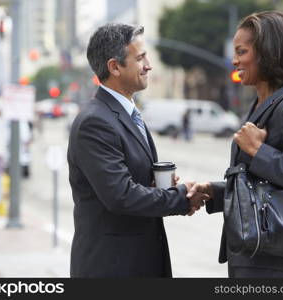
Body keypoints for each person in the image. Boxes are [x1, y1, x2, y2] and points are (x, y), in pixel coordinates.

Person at [188, 11, 283, 278]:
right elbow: (261, 185)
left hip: (274, 264)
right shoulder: (262, 104)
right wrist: (216, 191)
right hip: (254, 254)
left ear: (269, 53)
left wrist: (258, 151)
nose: (234, 60)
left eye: (242, 51)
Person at [67, 23, 208, 278]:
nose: (149, 65)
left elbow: (132, 179)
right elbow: (121, 195)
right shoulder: (95, 122)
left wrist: (159, 185)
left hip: (141, 261)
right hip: (112, 268)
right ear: (115, 67)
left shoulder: (128, 113)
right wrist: (180, 197)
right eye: (140, 58)